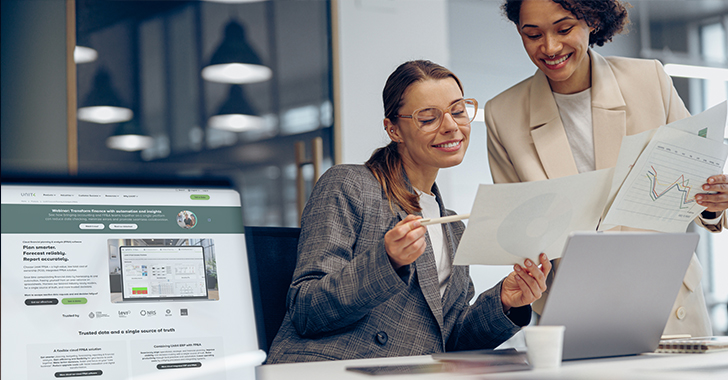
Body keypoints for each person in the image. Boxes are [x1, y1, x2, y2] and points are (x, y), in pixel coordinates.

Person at [265, 60, 552, 364]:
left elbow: (448, 343)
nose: (451, 126)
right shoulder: (349, 184)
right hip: (335, 369)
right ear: (393, 129)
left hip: (409, 372)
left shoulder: (453, 228)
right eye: (428, 118)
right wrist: (386, 261)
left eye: (457, 111)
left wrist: (505, 302)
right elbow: (307, 310)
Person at [485, 0, 728, 338]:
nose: (550, 47)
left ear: (592, 21)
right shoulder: (503, 115)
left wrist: (714, 203)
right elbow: (521, 234)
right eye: (532, 34)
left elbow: (697, 184)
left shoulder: (648, 80)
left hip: (670, 300)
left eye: (564, 28)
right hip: (580, 309)